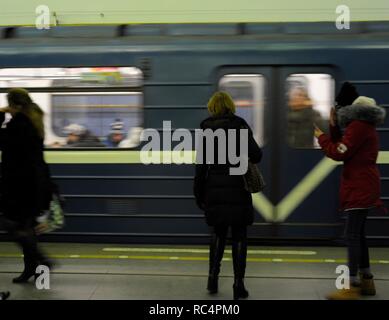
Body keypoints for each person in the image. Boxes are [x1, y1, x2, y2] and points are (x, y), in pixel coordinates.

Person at [314, 83, 386, 300]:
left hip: (360, 186)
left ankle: (350, 285)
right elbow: (344, 145)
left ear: (347, 108)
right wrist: (334, 126)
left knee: (352, 235)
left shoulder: (359, 126)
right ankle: (367, 281)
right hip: (363, 185)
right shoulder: (363, 125)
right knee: (359, 235)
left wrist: (321, 136)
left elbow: (338, 152)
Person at [194, 91, 262, 300]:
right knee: (239, 235)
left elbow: (201, 165)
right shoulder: (240, 124)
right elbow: (257, 155)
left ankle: (212, 279)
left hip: (213, 185)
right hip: (237, 185)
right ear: (231, 106)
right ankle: (238, 284)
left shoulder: (205, 126)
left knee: (218, 233)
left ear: (212, 107)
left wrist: (199, 193)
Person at [0, 88, 53, 283]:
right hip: (34, 182)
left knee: (11, 224)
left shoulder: (19, 124)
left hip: (20, 184)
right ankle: (32, 267)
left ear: (15, 105)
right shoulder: (34, 120)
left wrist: (0, 115)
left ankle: (42, 260)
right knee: (25, 226)